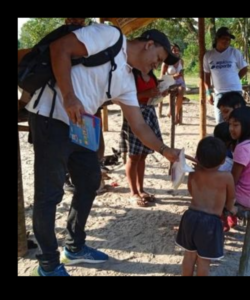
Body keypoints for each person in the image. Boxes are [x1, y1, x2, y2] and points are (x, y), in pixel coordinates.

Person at [26, 24, 180, 276]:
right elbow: (60, 48)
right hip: (50, 116)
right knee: (49, 194)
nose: (157, 65)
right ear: (148, 44)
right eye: (159, 58)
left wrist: (166, 151)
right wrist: (69, 96)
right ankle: (48, 264)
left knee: (89, 183)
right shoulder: (110, 36)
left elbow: (139, 125)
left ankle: (74, 247)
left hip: (81, 127)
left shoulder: (127, 80)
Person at [176, 136, 237, 276]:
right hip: (210, 222)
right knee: (204, 261)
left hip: (190, 217)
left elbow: (191, 190)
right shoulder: (226, 177)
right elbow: (231, 198)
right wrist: (230, 209)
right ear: (223, 161)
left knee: (189, 255)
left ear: (198, 157)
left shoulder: (193, 173)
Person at [119, 68, 168, 207]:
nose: (156, 61)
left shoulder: (151, 75)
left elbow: (151, 97)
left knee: (143, 154)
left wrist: (160, 93)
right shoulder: (131, 75)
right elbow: (125, 97)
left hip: (149, 112)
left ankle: (141, 189)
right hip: (134, 114)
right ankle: (133, 192)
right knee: (133, 156)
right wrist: (146, 93)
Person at [203, 27, 248, 124]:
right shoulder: (208, 56)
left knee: (237, 120)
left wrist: (236, 78)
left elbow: (244, 68)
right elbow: (206, 75)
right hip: (219, 93)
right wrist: (208, 93)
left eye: (229, 39)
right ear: (217, 39)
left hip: (235, 91)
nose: (227, 41)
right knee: (221, 122)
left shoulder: (234, 52)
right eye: (224, 38)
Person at [160, 44, 186, 124]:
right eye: (174, 50)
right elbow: (162, 76)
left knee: (181, 89)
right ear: (170, 51)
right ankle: (173, 113)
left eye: (177, 50)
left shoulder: (181, 61)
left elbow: (182, 74)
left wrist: (184, 82)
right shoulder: (166, 63)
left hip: (180, 82)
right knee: (174, 92)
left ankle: (175, 114)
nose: (176, 52)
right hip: (170, 82)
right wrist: (174, 76)